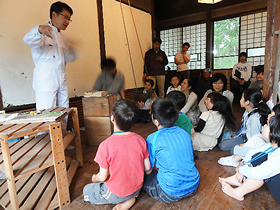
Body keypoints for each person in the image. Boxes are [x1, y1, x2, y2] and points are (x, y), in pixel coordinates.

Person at [83, 99, 151, 209]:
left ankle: (123, 200)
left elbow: (102, 176)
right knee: (125, 190)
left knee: (86, 190)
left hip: (116, 192)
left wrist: (94, 178)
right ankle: (130, 198)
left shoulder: (105, 145)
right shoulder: (140, 140)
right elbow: (147, 168)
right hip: (137, 188)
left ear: (112, 118)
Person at [143, 98, 200, 203]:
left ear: (155, 121)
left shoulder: (153, 139)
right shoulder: (184, 133)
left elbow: (148, 170)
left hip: (169, 193)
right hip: (194, 185)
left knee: (141, 176)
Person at [23, 1, 76, 111]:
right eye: (65, 17)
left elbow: (70, 58)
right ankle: (47, 129)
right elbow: (28, 39)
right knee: (47, 111)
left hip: (61, 75)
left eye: (69, 19)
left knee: (63, 109)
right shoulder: (41, 31)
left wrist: (72, 49)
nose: (67, 21)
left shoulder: (62, 38)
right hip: (46, 77)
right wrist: (39, 29)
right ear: (54, 14)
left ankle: (62, 129)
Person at [219, 115, 280, 203]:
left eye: (267, 124)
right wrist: (243, 163)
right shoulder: (272, 146)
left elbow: (257, 173)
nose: (264, 126)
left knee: (261, 173)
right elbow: (252, 153)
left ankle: (237, 193)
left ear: (275, 132)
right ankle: (239, 180)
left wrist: (241, 169)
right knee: (259, 156)